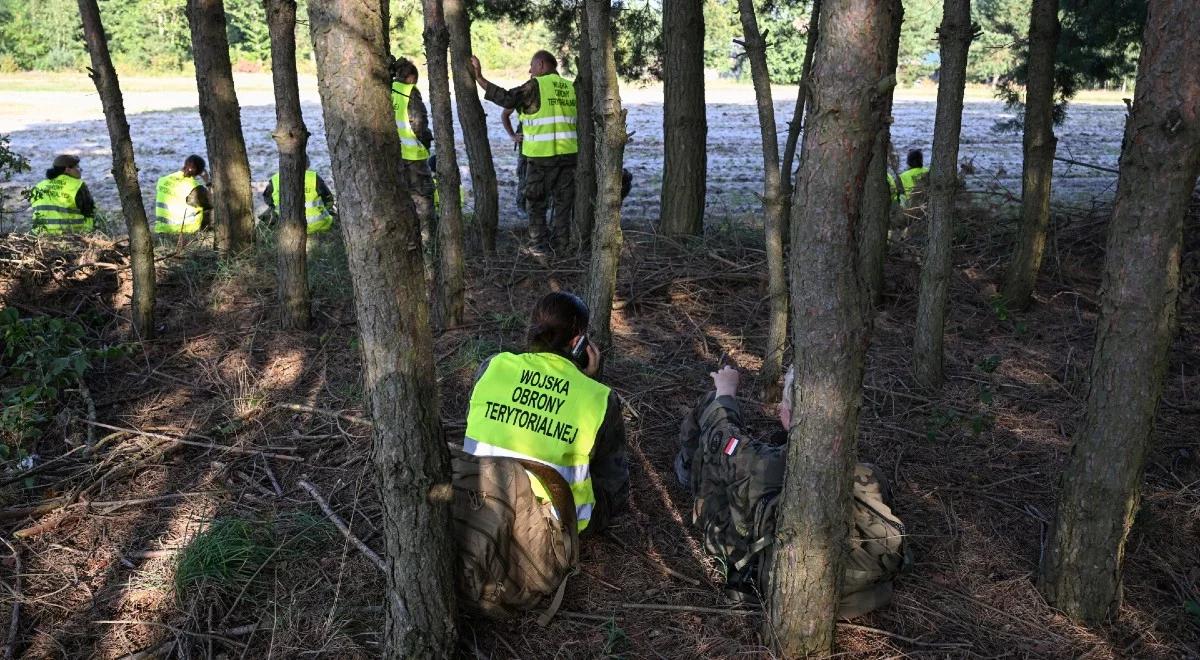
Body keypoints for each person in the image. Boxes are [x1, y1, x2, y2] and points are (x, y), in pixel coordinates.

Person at [676, 364, 910, 616]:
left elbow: (721, 438)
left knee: (714, 410)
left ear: (787, 414)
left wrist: (725, 392)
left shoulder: (763, 464)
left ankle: (684, 473)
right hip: (858, 588)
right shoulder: (865, 473)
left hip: (767, 570)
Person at [463, 291, 628, 534]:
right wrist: (588, 382)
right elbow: (614, 476)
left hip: (480, 501)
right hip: (555, 524)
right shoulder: (600, 397)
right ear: (577, 342)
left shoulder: (492, 366)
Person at [470, 51, 577, 254]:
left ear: (542, 65)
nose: (530, 71)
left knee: (536, 204)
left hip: (541, 159)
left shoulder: (536, 86)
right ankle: (563, 249)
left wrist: (479, 78)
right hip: (569, 158)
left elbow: (507, 99)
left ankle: (539, 250)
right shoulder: (571, 88)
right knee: (563, 207)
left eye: (532, 66)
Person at [389, 57, 436, 265]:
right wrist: (426, 142)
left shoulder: (387, 89)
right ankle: (427, 245)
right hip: (414, 156)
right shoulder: (410, 92)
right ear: (410, 77)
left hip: (394, 156)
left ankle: (407, 241)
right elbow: (419, 123)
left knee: (402, 200)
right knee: (424, 200)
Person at [263, 157, 336, 234]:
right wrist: (328, 209)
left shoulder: (275, 179)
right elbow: (328, 198)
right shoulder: (313, 177)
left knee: (268, 212)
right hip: (318, 225)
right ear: (307, 165)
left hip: (288, 227)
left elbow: (267, 199)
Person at [30, 154, 94, 234]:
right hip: (69, 235)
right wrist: (89, 232)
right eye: (77, 166)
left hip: (39, 234)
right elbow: (89, 211)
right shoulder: (77, 185)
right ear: (67, 169)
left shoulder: (39, 185)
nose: (81, 169)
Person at [154, 154, 212, 235]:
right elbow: (212, 202)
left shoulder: (162, 180)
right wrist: (208, 182)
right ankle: (206, 235)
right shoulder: (193, 187)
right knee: (211, 209)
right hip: (184, 232)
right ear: (199, 171)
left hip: (162, 229)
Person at [500, 107, 529, 218]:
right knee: (524, 175)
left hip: (547, 143)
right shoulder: (523, 91)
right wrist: (512, 135)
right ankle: (521, 206)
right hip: (526, 143)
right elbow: (505, 114)